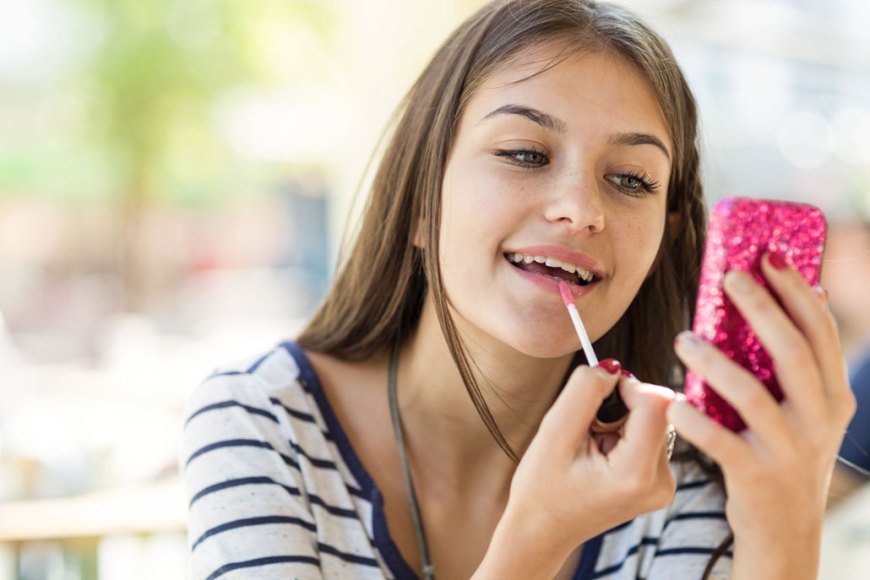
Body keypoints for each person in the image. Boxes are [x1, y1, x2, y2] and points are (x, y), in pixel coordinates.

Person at [182, 1, 855, 578]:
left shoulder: (677, 482)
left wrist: (785, 531)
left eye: (630, 180)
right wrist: (534, 545)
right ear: (420, 200)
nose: (580, 209)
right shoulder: (261, 422)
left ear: (668, 237)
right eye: (525, 154)